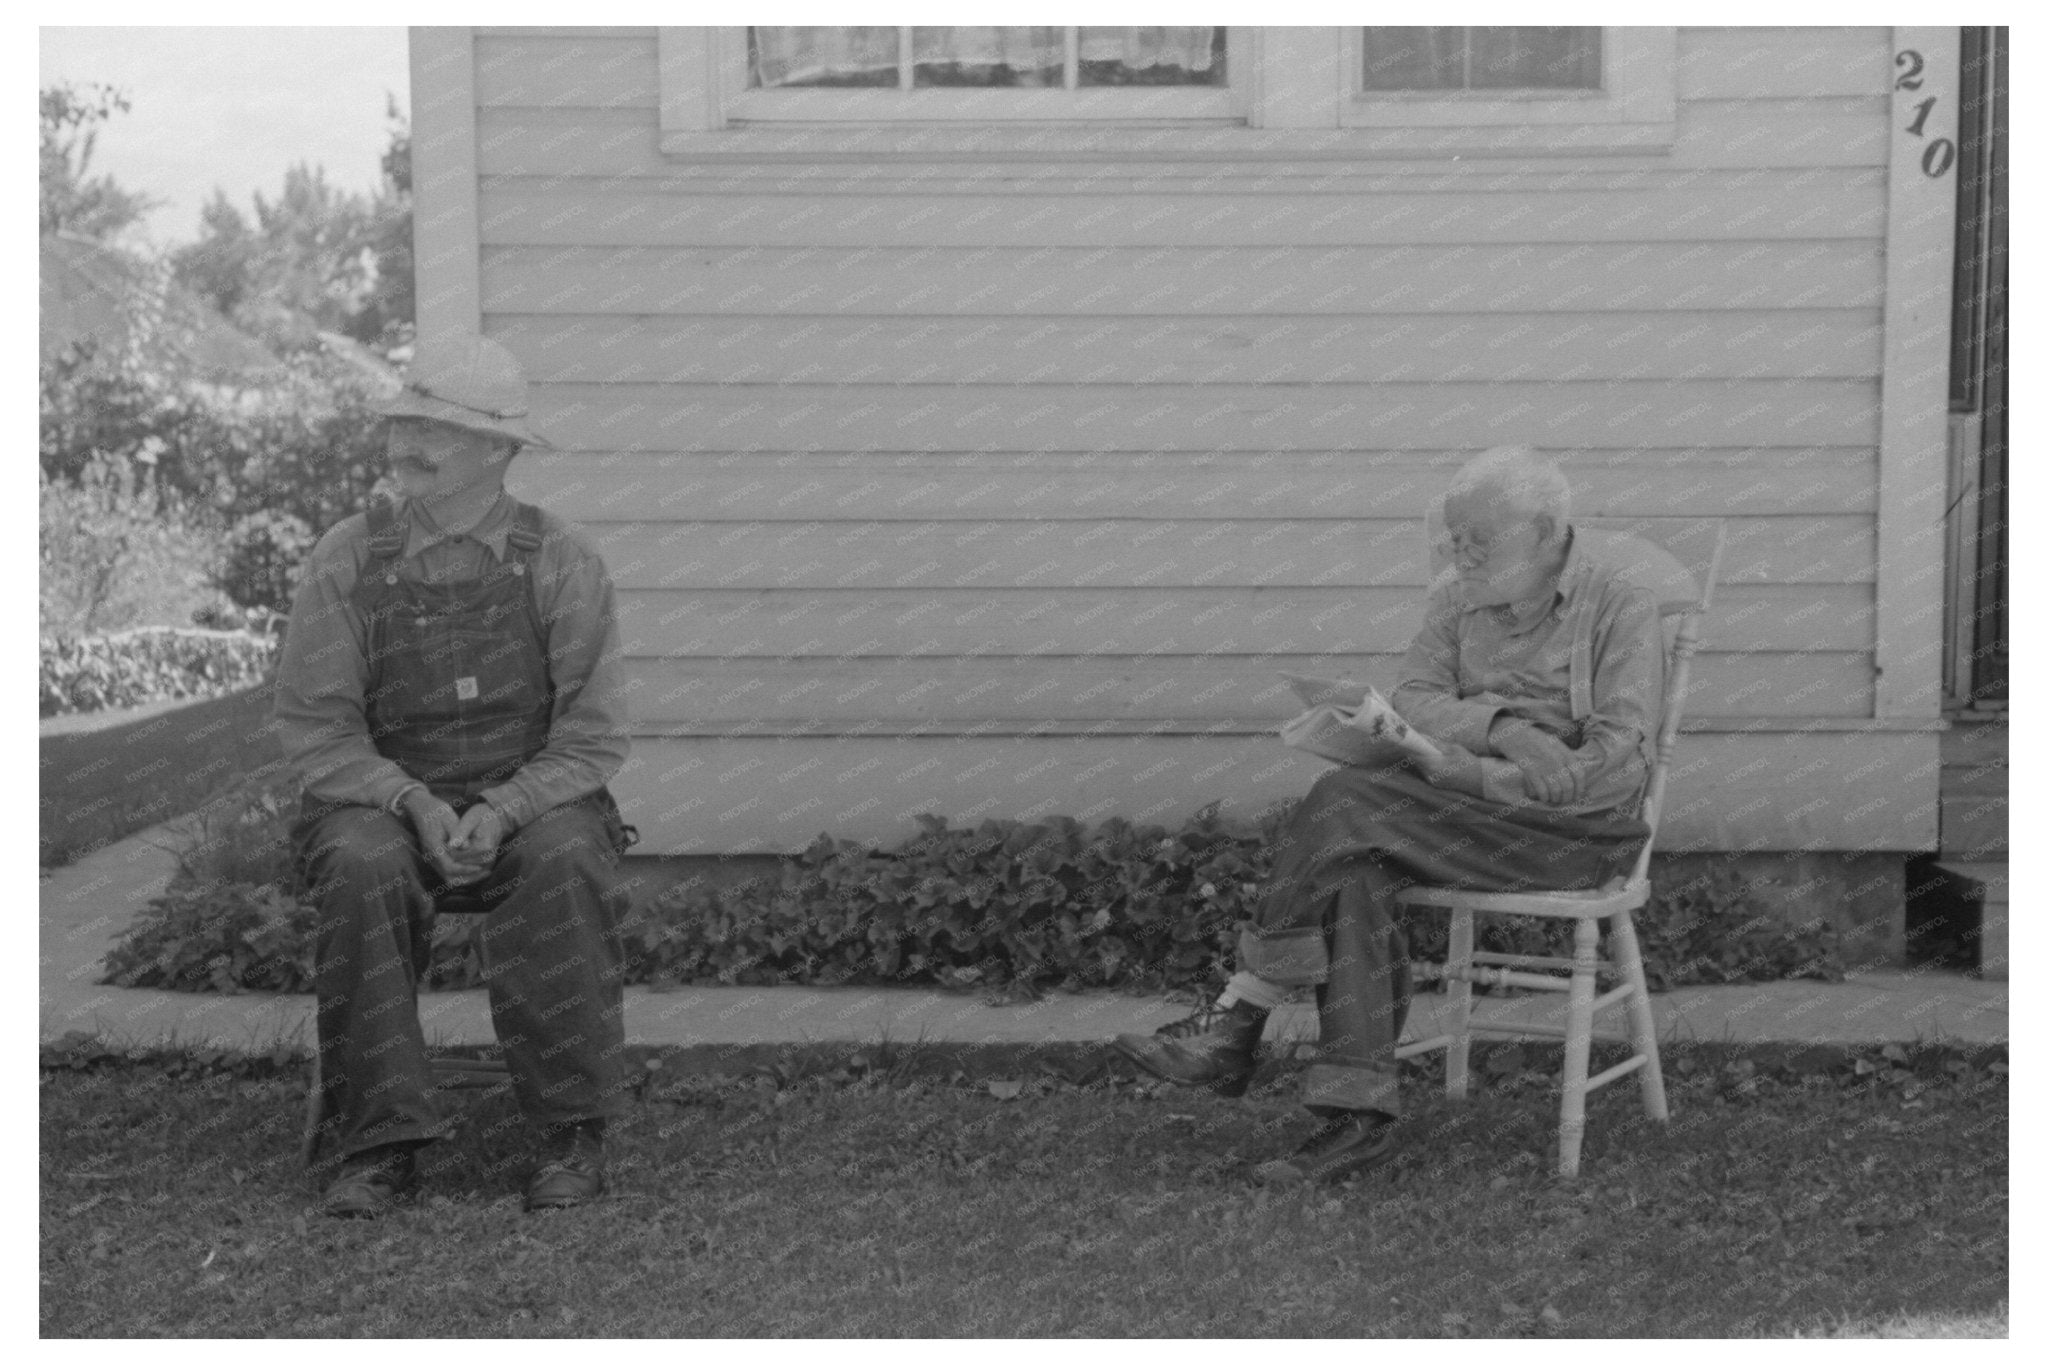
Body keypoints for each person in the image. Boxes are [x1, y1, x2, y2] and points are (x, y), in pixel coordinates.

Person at [1113, 446, 1665, 1184]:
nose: (1458, 553)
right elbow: (1417, 695)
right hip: (1460, 813)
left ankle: (1240, 1016)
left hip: (1570, 836)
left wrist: (1471, 770)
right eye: (1451, 536)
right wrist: (1508, 731)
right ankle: (1352, 1123)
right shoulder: (1454, 595)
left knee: (1345, 803)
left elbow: (1614, 768)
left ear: (1543, 532)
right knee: (1355, 867)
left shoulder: (1620, 605)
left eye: (1477, 540)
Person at [274, 334, 636, 1217]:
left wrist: (507, 806)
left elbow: (591, 737)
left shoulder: (563, 560)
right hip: (382, 801)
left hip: (537, 798)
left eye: (435, 428)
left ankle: (570, 1132)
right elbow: (318, 730)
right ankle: (379, 1145)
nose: (408, 442)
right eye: (403, 421)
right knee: (362, 865)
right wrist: (411, 798)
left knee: (562, 860)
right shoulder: (348, 556)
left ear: (498, 450)